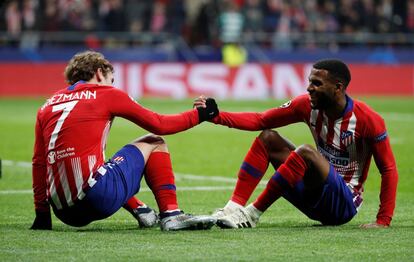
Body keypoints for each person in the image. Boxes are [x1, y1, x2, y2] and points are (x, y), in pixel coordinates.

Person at [195, 59, 398, 229]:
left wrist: (383, 220)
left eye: (317, 83)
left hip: (342, 205)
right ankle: (233, 208)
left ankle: (251, 214)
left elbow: (388, 169)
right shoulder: (306, 105)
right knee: (268, 138)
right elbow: (261, 120)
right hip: (312, 194)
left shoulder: (368, 120)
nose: (309, 88)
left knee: (306, 152)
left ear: (338, 88)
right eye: (310, 82)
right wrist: (217, 117)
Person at [31, 50, 219, 231]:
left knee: (102, 166)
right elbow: (159, 124)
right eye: (111, 80)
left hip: (64, 213)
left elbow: (39, 163)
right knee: (155, 141)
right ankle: (171, 214)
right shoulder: (107, 94)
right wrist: (199, 115)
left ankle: (141, 209)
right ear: (99, 73)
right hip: (97, 198)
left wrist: (42, 214)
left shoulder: (46, 106)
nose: (112, 85)